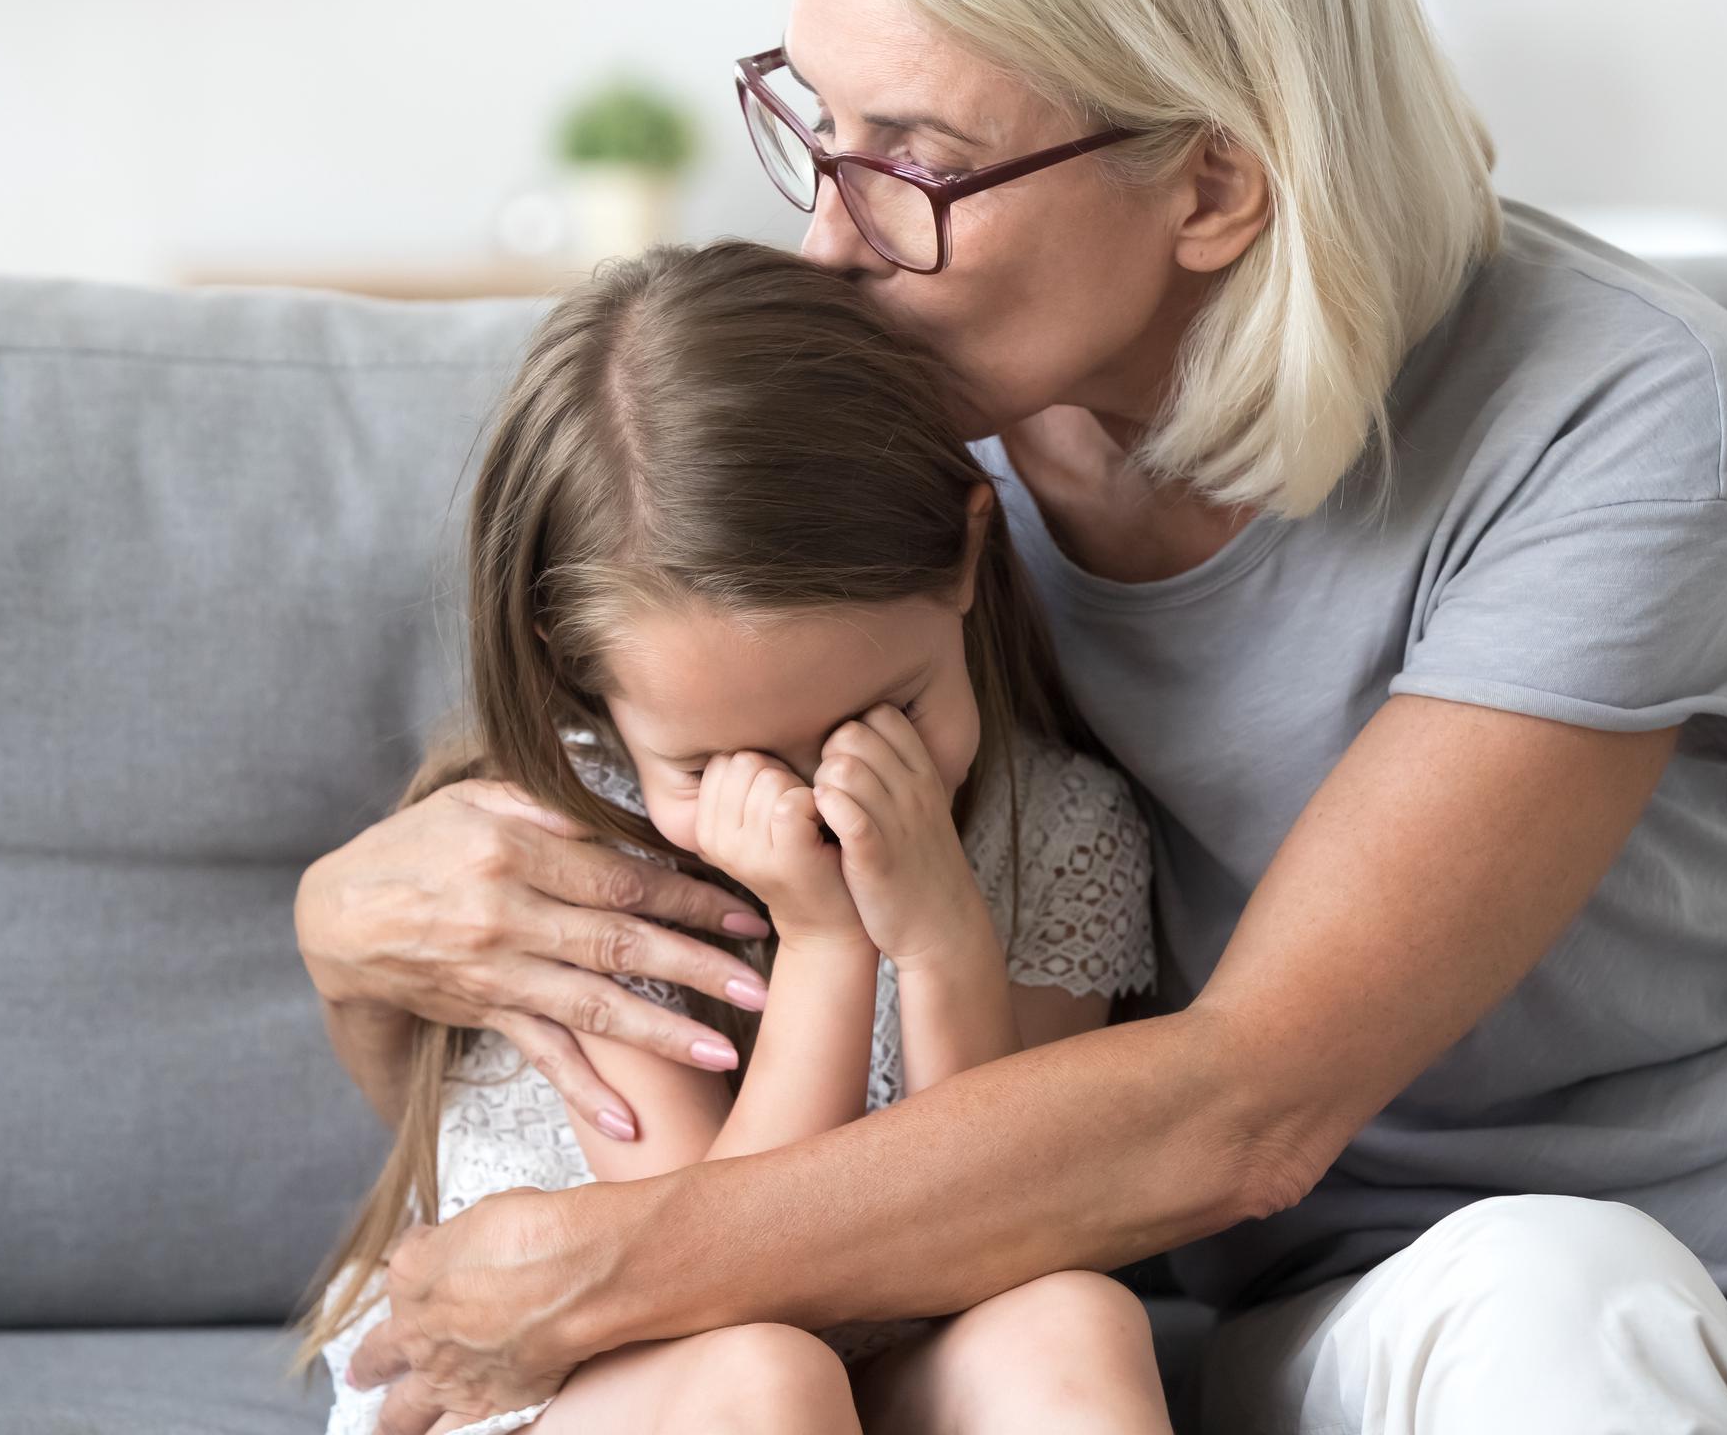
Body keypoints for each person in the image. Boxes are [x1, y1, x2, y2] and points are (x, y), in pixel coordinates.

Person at [302, 0, 1727, 1429]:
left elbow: (1252, 1098)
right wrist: (341, 918)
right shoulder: (891, 442)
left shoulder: (1623, 406)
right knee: (1555, 1319)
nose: (829, 243)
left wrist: (612, 1271)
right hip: (1378, 1254)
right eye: (814, 125)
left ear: (1215, 187)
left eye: (913, 160)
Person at [296, 240, 1166, 1434]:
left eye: (879, 716)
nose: (811, 803)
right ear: (587, 680)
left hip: (875, 1351)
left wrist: (944, 936)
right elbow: (700, 1279)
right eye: (708, 766)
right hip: (563, 1384)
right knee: (769, 1376)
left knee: (1069, 1318)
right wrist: (825, 942)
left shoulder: (1058, 830)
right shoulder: (570, 866)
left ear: (966, 553)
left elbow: (985, 1236)